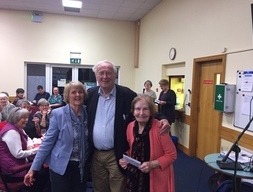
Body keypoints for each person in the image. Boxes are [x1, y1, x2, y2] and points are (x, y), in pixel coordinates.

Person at [85, 60, 171, 192]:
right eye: (101, 73)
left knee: (118, 189)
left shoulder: (126, 94)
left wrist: (162, 118)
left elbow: (144, 107)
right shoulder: (90, 95)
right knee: (99, 189)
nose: (105, 76)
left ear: (115, 75)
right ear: (96, 75)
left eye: (109, 73)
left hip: (117, 154)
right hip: (95, 155)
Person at [24, 81, 91, 192]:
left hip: (82, 166)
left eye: (80, 92)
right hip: (61, 166)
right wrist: (33, 169)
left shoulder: (88, 112)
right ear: (67, 96)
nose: (77, 95)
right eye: (73, 92)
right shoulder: (58, 114)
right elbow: (47, 142)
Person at [119, 95, 177, 192]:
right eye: (138, 109)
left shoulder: (159, 127)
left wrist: (152, 164)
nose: (141, 113)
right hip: (135, 177)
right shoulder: (130, 126)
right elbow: (131, 149)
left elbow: (172, 155)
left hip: (157, 177)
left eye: (145, 109)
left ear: (151, 111)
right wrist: (125, 159)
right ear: (133, 111)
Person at [0, 107, 49, 192]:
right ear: (16, 118)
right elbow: (18, 154)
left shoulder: (18, 128)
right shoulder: (11, 132)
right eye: (24, 118)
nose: (27, 120)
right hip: (13, 170)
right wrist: (39, 150)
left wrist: (30, 148)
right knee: (45, 172)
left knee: (42, 167)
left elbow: (28, 139)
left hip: (19, 163)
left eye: (27, 117)